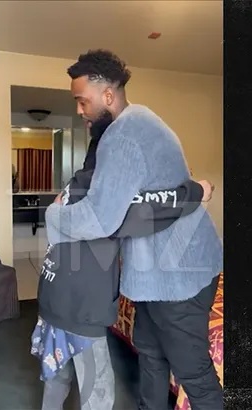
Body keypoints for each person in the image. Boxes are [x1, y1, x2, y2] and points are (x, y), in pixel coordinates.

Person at [44, 50, 223, 410]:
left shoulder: (123, 136)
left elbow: (100, 219)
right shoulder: (135, 123)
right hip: (155, 275)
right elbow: (134, 206)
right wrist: (193, 192)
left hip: (180, 276)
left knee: (193, 373)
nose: (79, 110)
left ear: (108, 95)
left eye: (82, 101)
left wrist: (54, 215)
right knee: (151, 355)